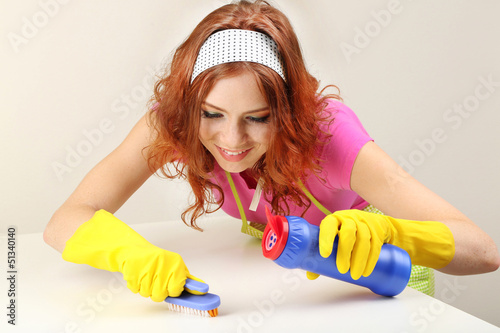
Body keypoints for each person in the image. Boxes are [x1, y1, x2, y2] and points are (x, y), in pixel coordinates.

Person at [44, 0, 499, 302]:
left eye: (258, 118)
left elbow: (483, 251)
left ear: (290, 111)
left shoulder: (328, 135)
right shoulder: (176, 123)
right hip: (290, 287)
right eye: (212, 113)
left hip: (382, 278)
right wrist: (129, 255)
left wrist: (395, 236)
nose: (231, 140)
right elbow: (66, 219)